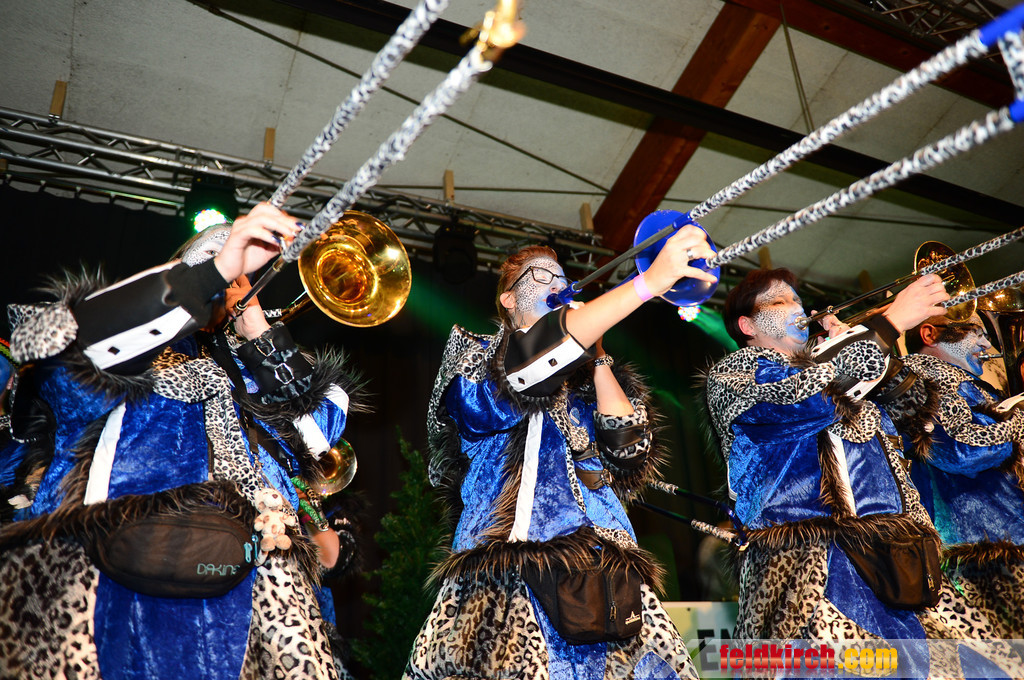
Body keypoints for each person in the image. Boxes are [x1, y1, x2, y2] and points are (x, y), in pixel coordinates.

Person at [0, 203, 363, 680]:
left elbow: (316, 435)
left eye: (241, 272)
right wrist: (209, 274)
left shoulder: (256, 370)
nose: (232, 279)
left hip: (257, 587)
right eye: (217, 266)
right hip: (115, 580)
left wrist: (260, 334)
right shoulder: (132, 352)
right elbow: (61, 345)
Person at [405, 226, 716, 680]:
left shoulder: (584, 379)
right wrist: (647, 283)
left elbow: (630, 451)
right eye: (541, 276)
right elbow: (521, 374)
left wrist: (599, 357)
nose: (557, 284)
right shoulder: (473, 356)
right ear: (508, 299)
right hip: (511, 565)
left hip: (606, 565)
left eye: (562, 277)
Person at [703, 267, 1023, 673]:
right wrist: (885, 326)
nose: (799, 309)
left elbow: (917, 415)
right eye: (780, 301)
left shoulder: (838, 366)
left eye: (798, 300)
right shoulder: (734, 374)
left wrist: (874, 356)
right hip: (810, 566)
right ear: (747, 325)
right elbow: (797, 398)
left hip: (894, 558)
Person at [882, 310, 1024, 638]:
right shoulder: (928, 379)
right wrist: (1017, 418)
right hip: (987, 557)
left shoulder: (968, 384)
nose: (987, 344)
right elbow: (961, 452)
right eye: (975, 332)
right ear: (929, 335)